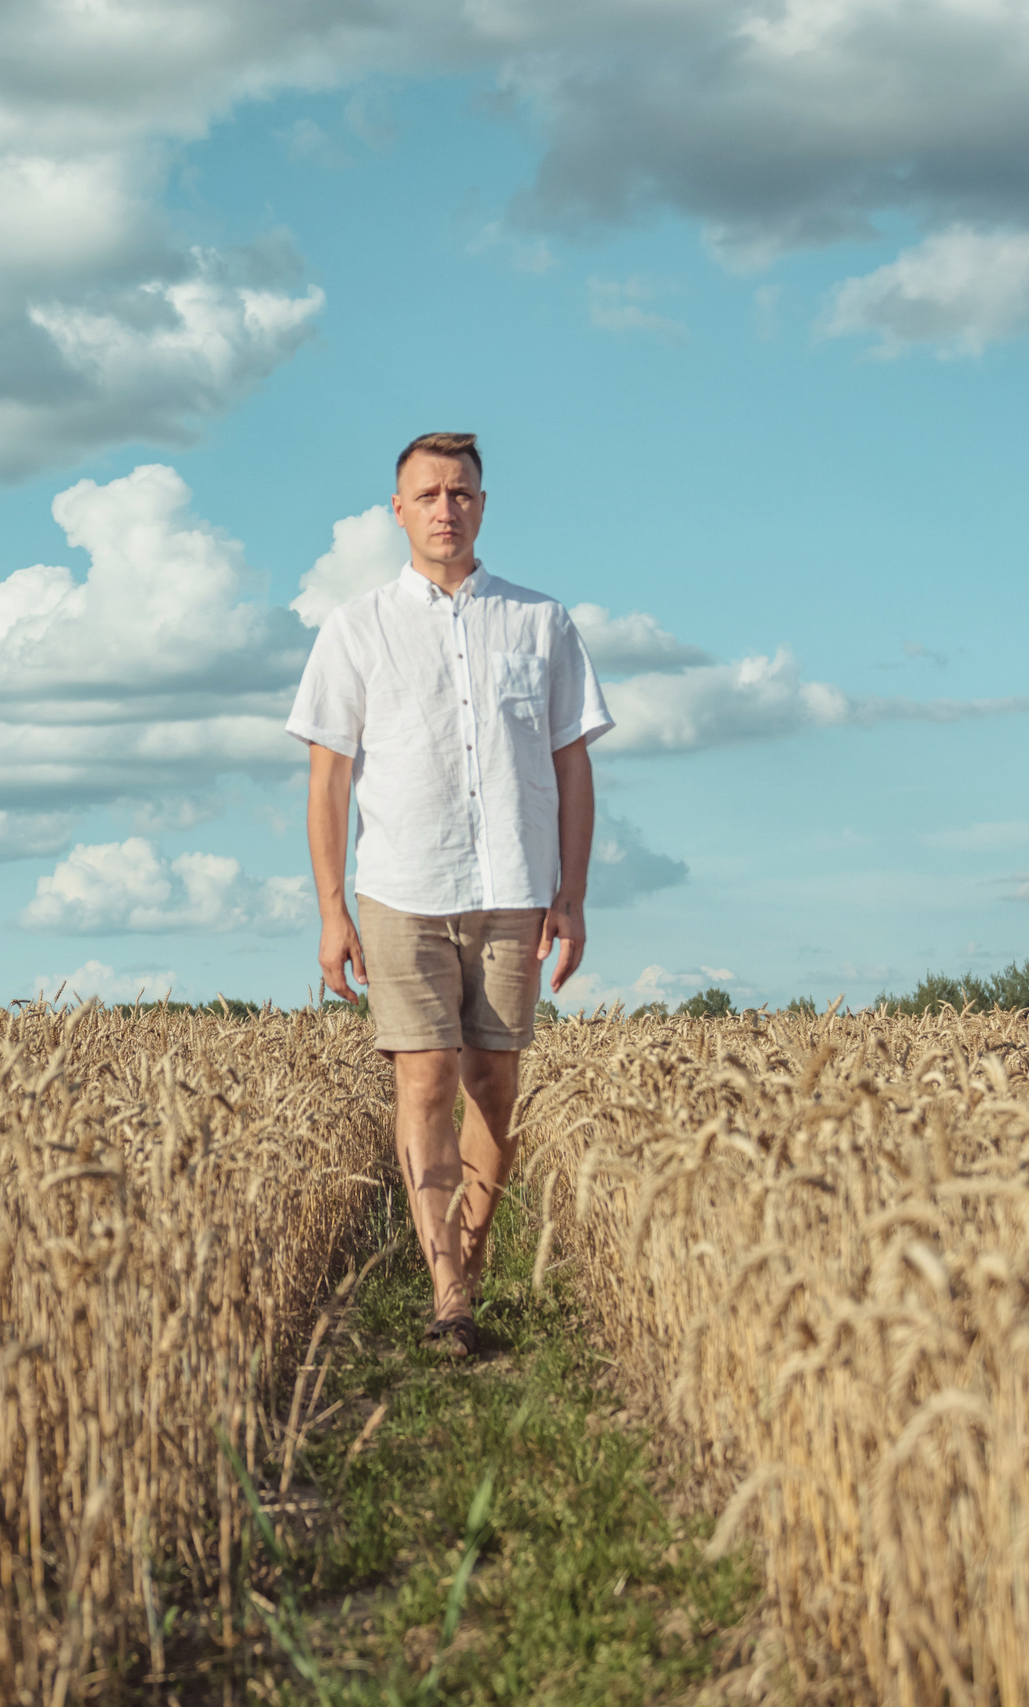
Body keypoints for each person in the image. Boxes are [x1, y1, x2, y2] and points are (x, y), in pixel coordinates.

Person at [286, 431, 612, 1356]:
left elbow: (573, 766)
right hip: (400, 886)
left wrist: (572, 893)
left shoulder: (542, 623)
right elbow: (328, 778)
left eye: (461, 492)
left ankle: (466, 1257)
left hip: (512, 884)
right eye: (427, 493)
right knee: (423, 1077)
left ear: (482, 502)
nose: (445, 507)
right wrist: (330, 909)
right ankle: (449, 1297)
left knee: (495, 1087)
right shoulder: (356, 628)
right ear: (398, 510)